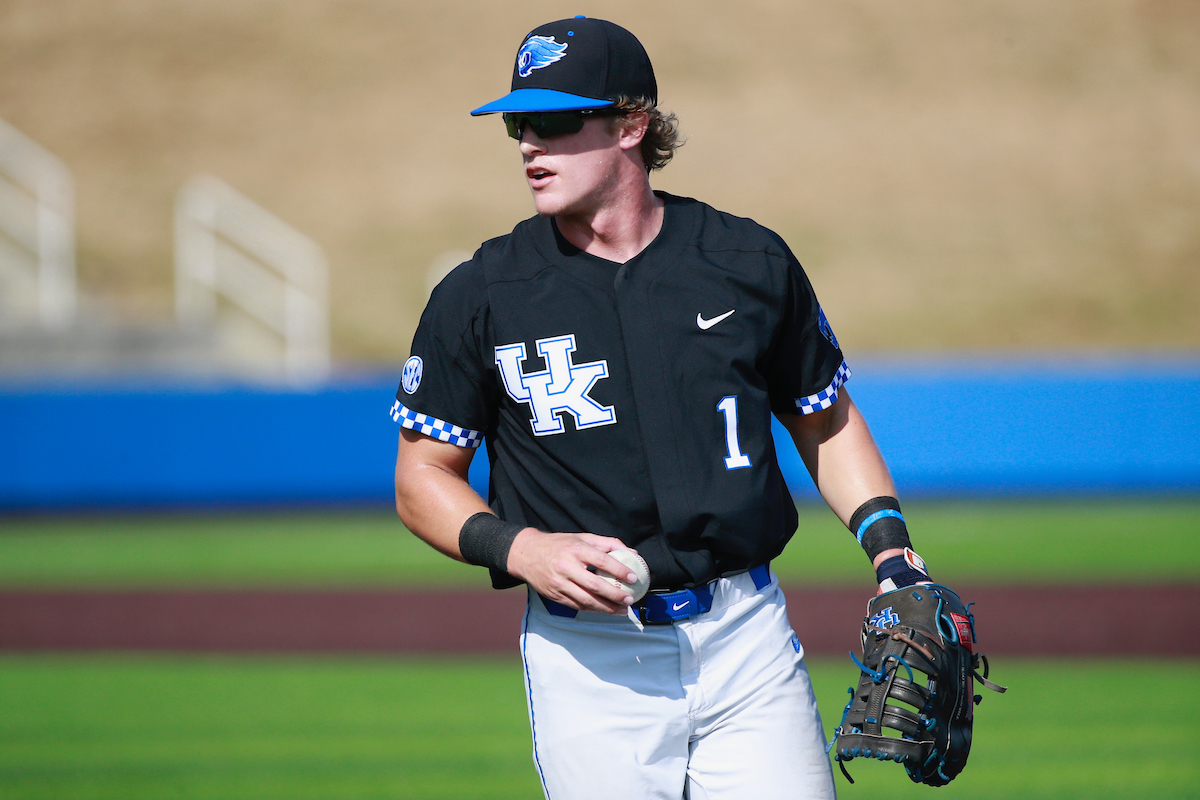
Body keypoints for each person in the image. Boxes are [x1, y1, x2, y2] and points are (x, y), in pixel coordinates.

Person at [392, 16, 933, 800]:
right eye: (517, 124)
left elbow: (824, 419)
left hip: (745, 636)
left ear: (631, 123)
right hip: (591, 663)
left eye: (551, 120)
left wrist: (892, 553)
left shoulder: (746, 262)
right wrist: (520, 549)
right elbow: (421, 478)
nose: (527, 146)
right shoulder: (481, 294)